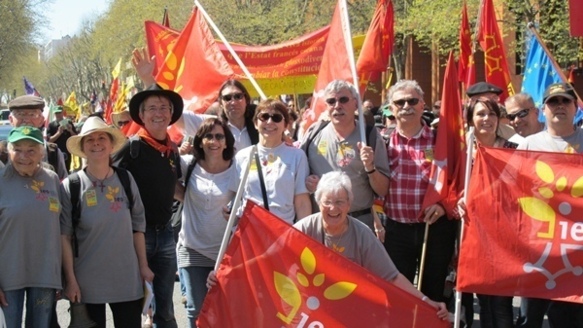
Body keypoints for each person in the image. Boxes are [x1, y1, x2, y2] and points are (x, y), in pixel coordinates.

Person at [206, 171, 450, 322]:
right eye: (327, 202)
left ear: (349, 204)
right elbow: (265, 259)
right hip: (309, 311)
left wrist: (426, 300)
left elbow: (393, 277)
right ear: (318, 202)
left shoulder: (362, 235)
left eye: (340, 202)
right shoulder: (304, 229)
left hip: (349, 311)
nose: (333, 208)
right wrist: (227, 273)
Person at [60, 117, 153, 327]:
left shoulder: (126, 180)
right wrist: (71, 280)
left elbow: (138, 229)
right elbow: (64, 236)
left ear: (111, 145)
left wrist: (144, 267)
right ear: (83, 147)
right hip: (87, 282)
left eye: (102, 138)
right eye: (90, 139)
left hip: (126, 278)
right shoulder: (71, 185)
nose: (96, 143)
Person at [112, 84, 184, 328]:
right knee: (136, 309)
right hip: (135, 237)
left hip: (165, 235)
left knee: (165, 308)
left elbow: (174, 188)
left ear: (171, 114)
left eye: (164, 107)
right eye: (152, 108)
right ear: (141, 116)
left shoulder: (172, 151)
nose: (159, 113)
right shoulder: (130, 148)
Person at [382, 79, 457, 304]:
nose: (406, 106)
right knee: (399, 292)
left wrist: (444, 206)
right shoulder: (382, 141)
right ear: (391, 108)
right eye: (400, 102)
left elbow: (458, 181)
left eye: (412, 101)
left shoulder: (441, 140)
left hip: (434, 229)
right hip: (397, 230)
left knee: (433, 292)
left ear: (423, 104)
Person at [517, 83, 583, 327]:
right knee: (529, 319)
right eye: (553, 102)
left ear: (576, 107)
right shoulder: (529, 145)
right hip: (538, 248)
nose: (559, 107)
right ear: (542, 110)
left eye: (566, 101)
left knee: (570, 320)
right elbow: (507, 189)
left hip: (576, 250)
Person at [301, 80, 389, 235]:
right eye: (331, 101)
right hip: (323, 224)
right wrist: (307, 182)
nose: (337, 105)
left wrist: (370, 168)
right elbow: (297, 175)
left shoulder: (370, 136)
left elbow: (382, 189)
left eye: (343, 100)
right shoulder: (313, 134)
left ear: (355, 104)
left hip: (359, 223)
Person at [175, 118, 236, 327]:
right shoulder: (188, 164)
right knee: (196, 309)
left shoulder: (238, 168)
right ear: (199, 141)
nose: (214, 141)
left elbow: (244, 204)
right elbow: (167, 181)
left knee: (224, 309)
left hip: (225, 252)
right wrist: (187, 198)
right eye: (208, 136)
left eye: (219, 136)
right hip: (192, 248)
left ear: (226, 142)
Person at [0, 126, 62, 327]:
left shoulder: (52, 180)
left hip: (44, 275)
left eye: (31, 150)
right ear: (8, 151)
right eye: (17, 149)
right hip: (7, 277)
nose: (24, 156)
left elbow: (62, 229)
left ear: (41, 153)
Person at [463, 97, 517, 328]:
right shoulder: (464, 151)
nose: (486, 119)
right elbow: (455, 184)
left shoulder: (513, 150)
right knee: (483, 298)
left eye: (492, 114)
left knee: (502, 300)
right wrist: (458, 198)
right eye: (481, 114)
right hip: (474, 232)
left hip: (505, 232)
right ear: (471, 120)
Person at [231, 99, 311, 224]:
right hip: (251, 231)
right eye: (264, 117)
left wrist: (303, 234)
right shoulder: (242, 156)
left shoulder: (297, 156)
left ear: (285, 125)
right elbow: (236, 197)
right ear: (256, 123)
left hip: (283, 231)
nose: (269, 122)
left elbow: (301, 202)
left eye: (277, 118)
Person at [8, 95, 68, 179]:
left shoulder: (53, 152)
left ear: (41, 120)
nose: (26, 119)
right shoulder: (2, 152)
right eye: (20, 114)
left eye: (33, 114)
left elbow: (61, 186)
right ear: (11, 120)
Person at [47, 105, 78, 170]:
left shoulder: (68, 122)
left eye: (59, 113)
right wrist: (58, 133)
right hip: (55, 152)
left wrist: (70, 130)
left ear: (62, 113)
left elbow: (75, 138)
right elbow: (49, 140)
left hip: (66, 151)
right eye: (56, 113)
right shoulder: (51, 125)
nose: (58, 115)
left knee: (66, 169)